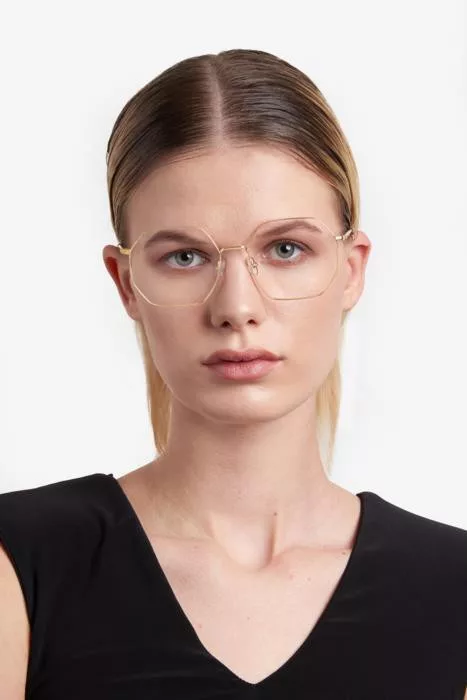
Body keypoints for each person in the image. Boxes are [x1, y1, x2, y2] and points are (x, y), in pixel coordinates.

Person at [0, 48, 466, 700]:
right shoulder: (20, 565)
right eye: (184, 256)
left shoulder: (452, 587)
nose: (236, 307)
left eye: (285, 249)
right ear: (125, 282)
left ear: (350, 269)